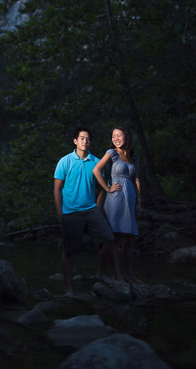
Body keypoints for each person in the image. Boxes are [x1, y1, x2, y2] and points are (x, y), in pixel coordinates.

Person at [54, 127, 126, 295]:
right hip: (70, 211)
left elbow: (103, 187)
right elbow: (57, 189)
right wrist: (60, 212)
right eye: (81, 138)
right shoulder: (65, 161)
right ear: (75, 141)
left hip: (91, 209)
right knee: (69, 251)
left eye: (87, 139)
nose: (84, 141)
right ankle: (68, 289)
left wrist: (98, 207)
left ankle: (100, 274)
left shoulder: (96, 161)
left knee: (108, 239)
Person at [93, 126, 142, 284]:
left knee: (131, 237)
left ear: (126, 136)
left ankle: (129, 273)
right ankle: (112, 274)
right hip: (115, 199)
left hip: (130, 198)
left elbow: (136, 180)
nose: (116, 138)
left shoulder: (134, 157)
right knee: (113, 237)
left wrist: (139, 202)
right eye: (113, 136)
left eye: (119, 135)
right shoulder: (111, 153)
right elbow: (96, 170)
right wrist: (107, 188)